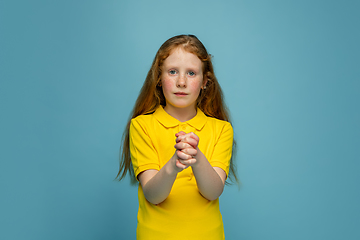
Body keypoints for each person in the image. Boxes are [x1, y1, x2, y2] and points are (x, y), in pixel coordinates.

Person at [117, 34, 238, 240]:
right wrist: (174, 164)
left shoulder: (222, 129)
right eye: (173, 72)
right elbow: (153, 195)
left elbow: (213, 191)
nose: (181, 82)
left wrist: (197, 158)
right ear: (159, 78)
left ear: (205, 82)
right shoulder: (141, 126)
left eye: (191, 73)